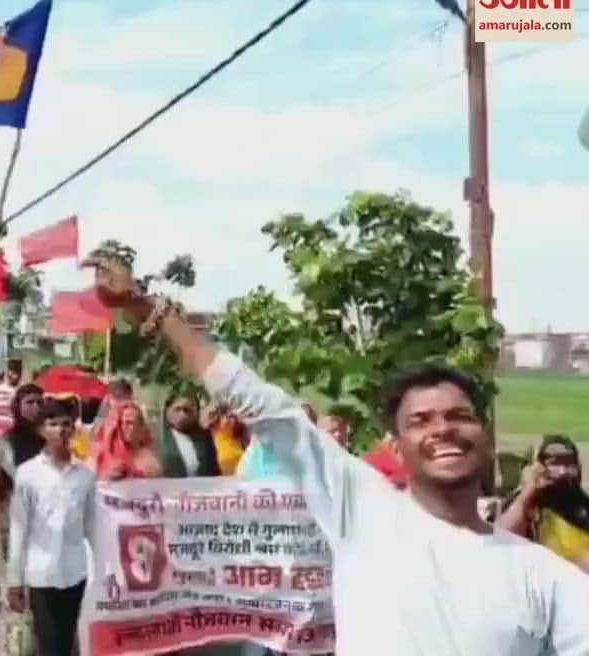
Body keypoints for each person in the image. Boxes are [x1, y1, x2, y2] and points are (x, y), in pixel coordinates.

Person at [84, 254, 589, 655]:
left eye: (459, 416)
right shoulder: (361, 507)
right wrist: (143, 307)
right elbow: (258, 399)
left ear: (483, 435)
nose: (443, 430)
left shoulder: (543, 577)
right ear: (396, 446)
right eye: (421, 420)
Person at [8, 403, 96, 656]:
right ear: (41, 430)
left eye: (66, 424)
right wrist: (15, 581)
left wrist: (100, 571)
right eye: (54, 424)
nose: (61, 430)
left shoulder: (85, 475)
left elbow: (91, 526)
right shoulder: (28, 474)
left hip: (76, 572)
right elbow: (19, 527)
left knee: (68, 641)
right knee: (47, 643)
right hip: (41, 572)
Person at [0, 383, 45, 656]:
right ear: (17, 407)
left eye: (39, 402)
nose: (35, 407)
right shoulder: (5, 444)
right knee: (16, 607)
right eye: (29, 402)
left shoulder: (52, 442)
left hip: (46, 536)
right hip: (11, 532)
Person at [498, 435, 589, 572]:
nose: (562, 471)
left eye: (568, 463)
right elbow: (501, 539)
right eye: (554, 463)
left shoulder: (579, 502)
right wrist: (528, 491)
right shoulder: (524, 504)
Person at [93, 398, 162, 480]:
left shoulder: (149, 454)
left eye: (135, 423)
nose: (131, 428)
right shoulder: (99, 451)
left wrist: (155, 474)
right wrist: (105, 477)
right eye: (127, 423)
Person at [156, 393, 220, 478]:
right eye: (177, 409)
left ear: (196, 413)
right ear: (168, 411)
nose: (183, 415)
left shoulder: (205, 439)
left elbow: (214, 471)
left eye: (187, 410)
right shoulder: (155, 440)